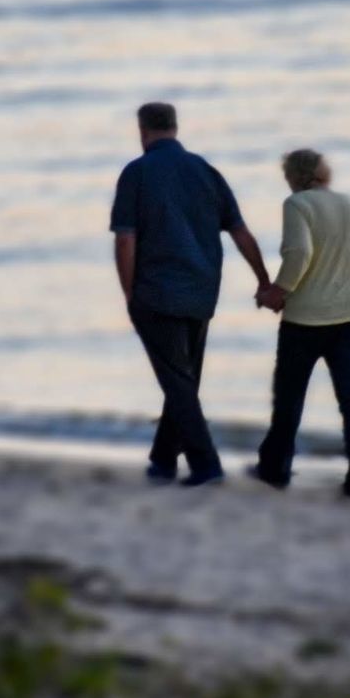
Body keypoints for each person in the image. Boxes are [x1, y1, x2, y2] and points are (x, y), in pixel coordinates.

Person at [110, 102, 271, 486]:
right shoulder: (205, 171)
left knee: (178, 383)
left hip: (157, 294)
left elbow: (126, 241)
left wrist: (129, 294)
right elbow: (240, 232)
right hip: (201, 293)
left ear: (142, 129)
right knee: (183, 379)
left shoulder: (137, 173)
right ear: (175, 128)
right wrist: (263, 280)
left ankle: (205, 465)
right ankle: (164, 460)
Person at [252, 148, 350, 497]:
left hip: (306, 319)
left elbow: (300, 252)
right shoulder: (349, 204)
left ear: (294, 177)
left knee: (289, 398)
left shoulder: (297, 205)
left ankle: (275, 470)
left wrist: (278, 291)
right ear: (324, 173)